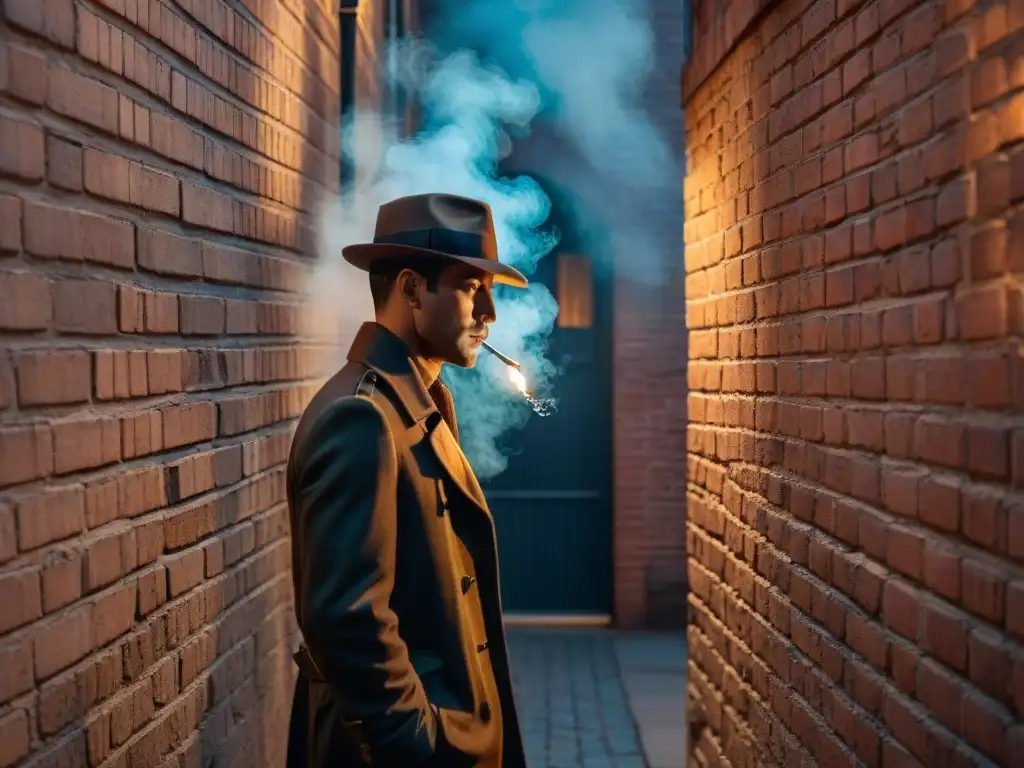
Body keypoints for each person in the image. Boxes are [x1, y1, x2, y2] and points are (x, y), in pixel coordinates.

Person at [285, 193, 529, 768]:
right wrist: (421, 747)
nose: (489, 312)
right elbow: (348, 622)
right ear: (414, 290)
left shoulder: (411, 402)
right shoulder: (362, 416)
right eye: (472, 287)